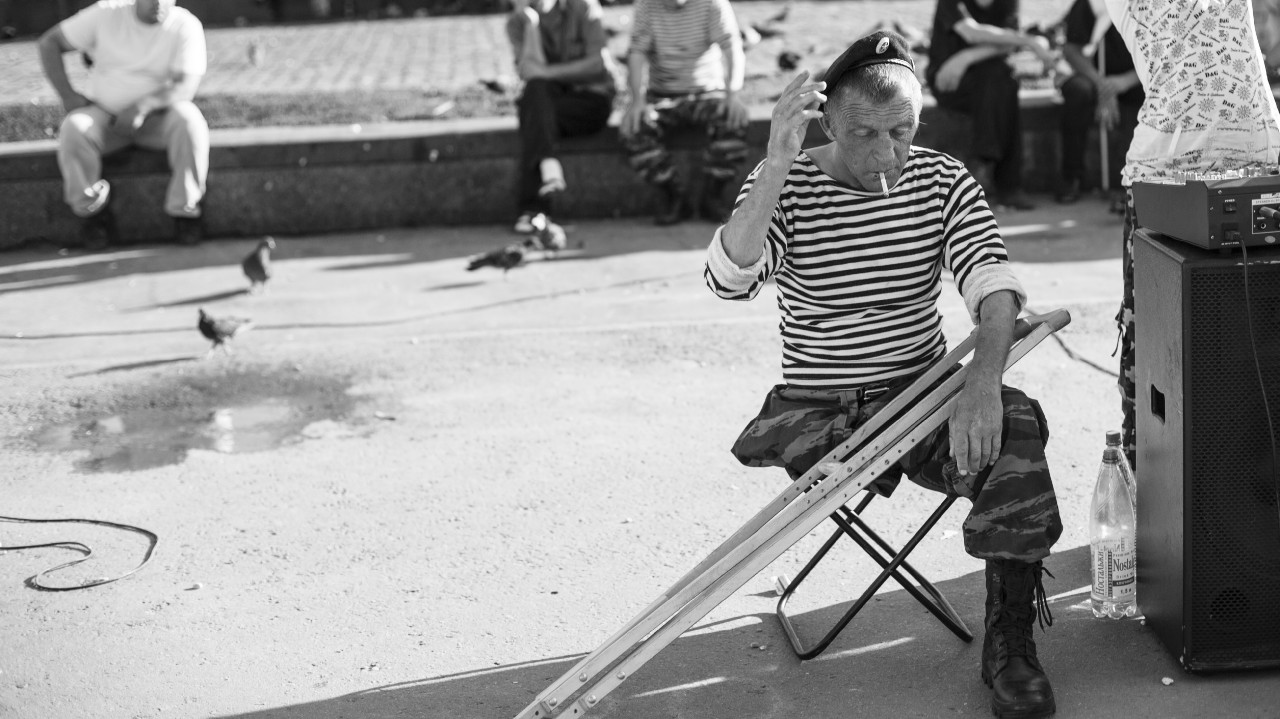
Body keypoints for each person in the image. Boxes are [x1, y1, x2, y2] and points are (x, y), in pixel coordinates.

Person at [704, 31, 1062, 719]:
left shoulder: (939, 178)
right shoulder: (788, 180)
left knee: (1017, 424)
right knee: (992, 420)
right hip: (817, 409)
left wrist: (982, 385)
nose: (886, 152)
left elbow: (994, 285)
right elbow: (729, 279)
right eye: (863, 132)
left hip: (918, 398)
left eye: (901, 131)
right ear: (829, 123)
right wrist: (776, 162)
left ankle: (1011, 642)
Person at [1101, 0, 1280, 471]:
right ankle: (1148, 497)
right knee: (1155, 344)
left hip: (1258, 164)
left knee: (1261, 347)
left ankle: (1252, 498)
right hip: (1164, 174)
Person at [38, 0, 208, 250]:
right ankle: (93, 216)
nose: (159, 4)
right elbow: (49, 42)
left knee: (191, 122)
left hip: (158, 120)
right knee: (74, 128)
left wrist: (141, 107)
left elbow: (186, 86)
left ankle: (186, 213)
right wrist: (68, 96)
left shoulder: (186, 25)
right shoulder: (106, 13)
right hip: (104, 119)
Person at [621, 0, 750, 225]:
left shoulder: (712, 4)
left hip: (707, 92)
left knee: (733, 120)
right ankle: (674, 196)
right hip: (661, 95)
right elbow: (636, 53)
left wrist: (733, 94)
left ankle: (713, 195)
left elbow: (732, 47)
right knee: (634, 128)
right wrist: (637, 101)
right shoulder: (646, 5)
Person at [926, 0, 1057, 211]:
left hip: (988, 80)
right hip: (949, 81)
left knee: (1000, 82)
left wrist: (965, 57)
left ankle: (984, 161)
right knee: (1000, 85)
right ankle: (1008, 185)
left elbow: (1008, 42)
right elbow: (972, 33)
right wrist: (1030, 41)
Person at [505, 0, 616, 236]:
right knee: (535, 98)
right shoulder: (517, 23)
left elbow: (597, 64)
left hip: (590, 101)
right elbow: (529, 72)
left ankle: (533, 209)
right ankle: (548, 170)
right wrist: (532, 26)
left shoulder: (584, 8)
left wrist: (548, 73)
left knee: (533, 110)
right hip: (548, 104)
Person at [1056, 0, 1143, 208]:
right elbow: (1071, 50)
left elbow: (1165, 57)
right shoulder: (1090, 4)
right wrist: (1102, 85)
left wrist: (1123, 82)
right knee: (1078, 93)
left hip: (1135, 79)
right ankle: (1071, 177)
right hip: (1091, 75)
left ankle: (1135, 185)